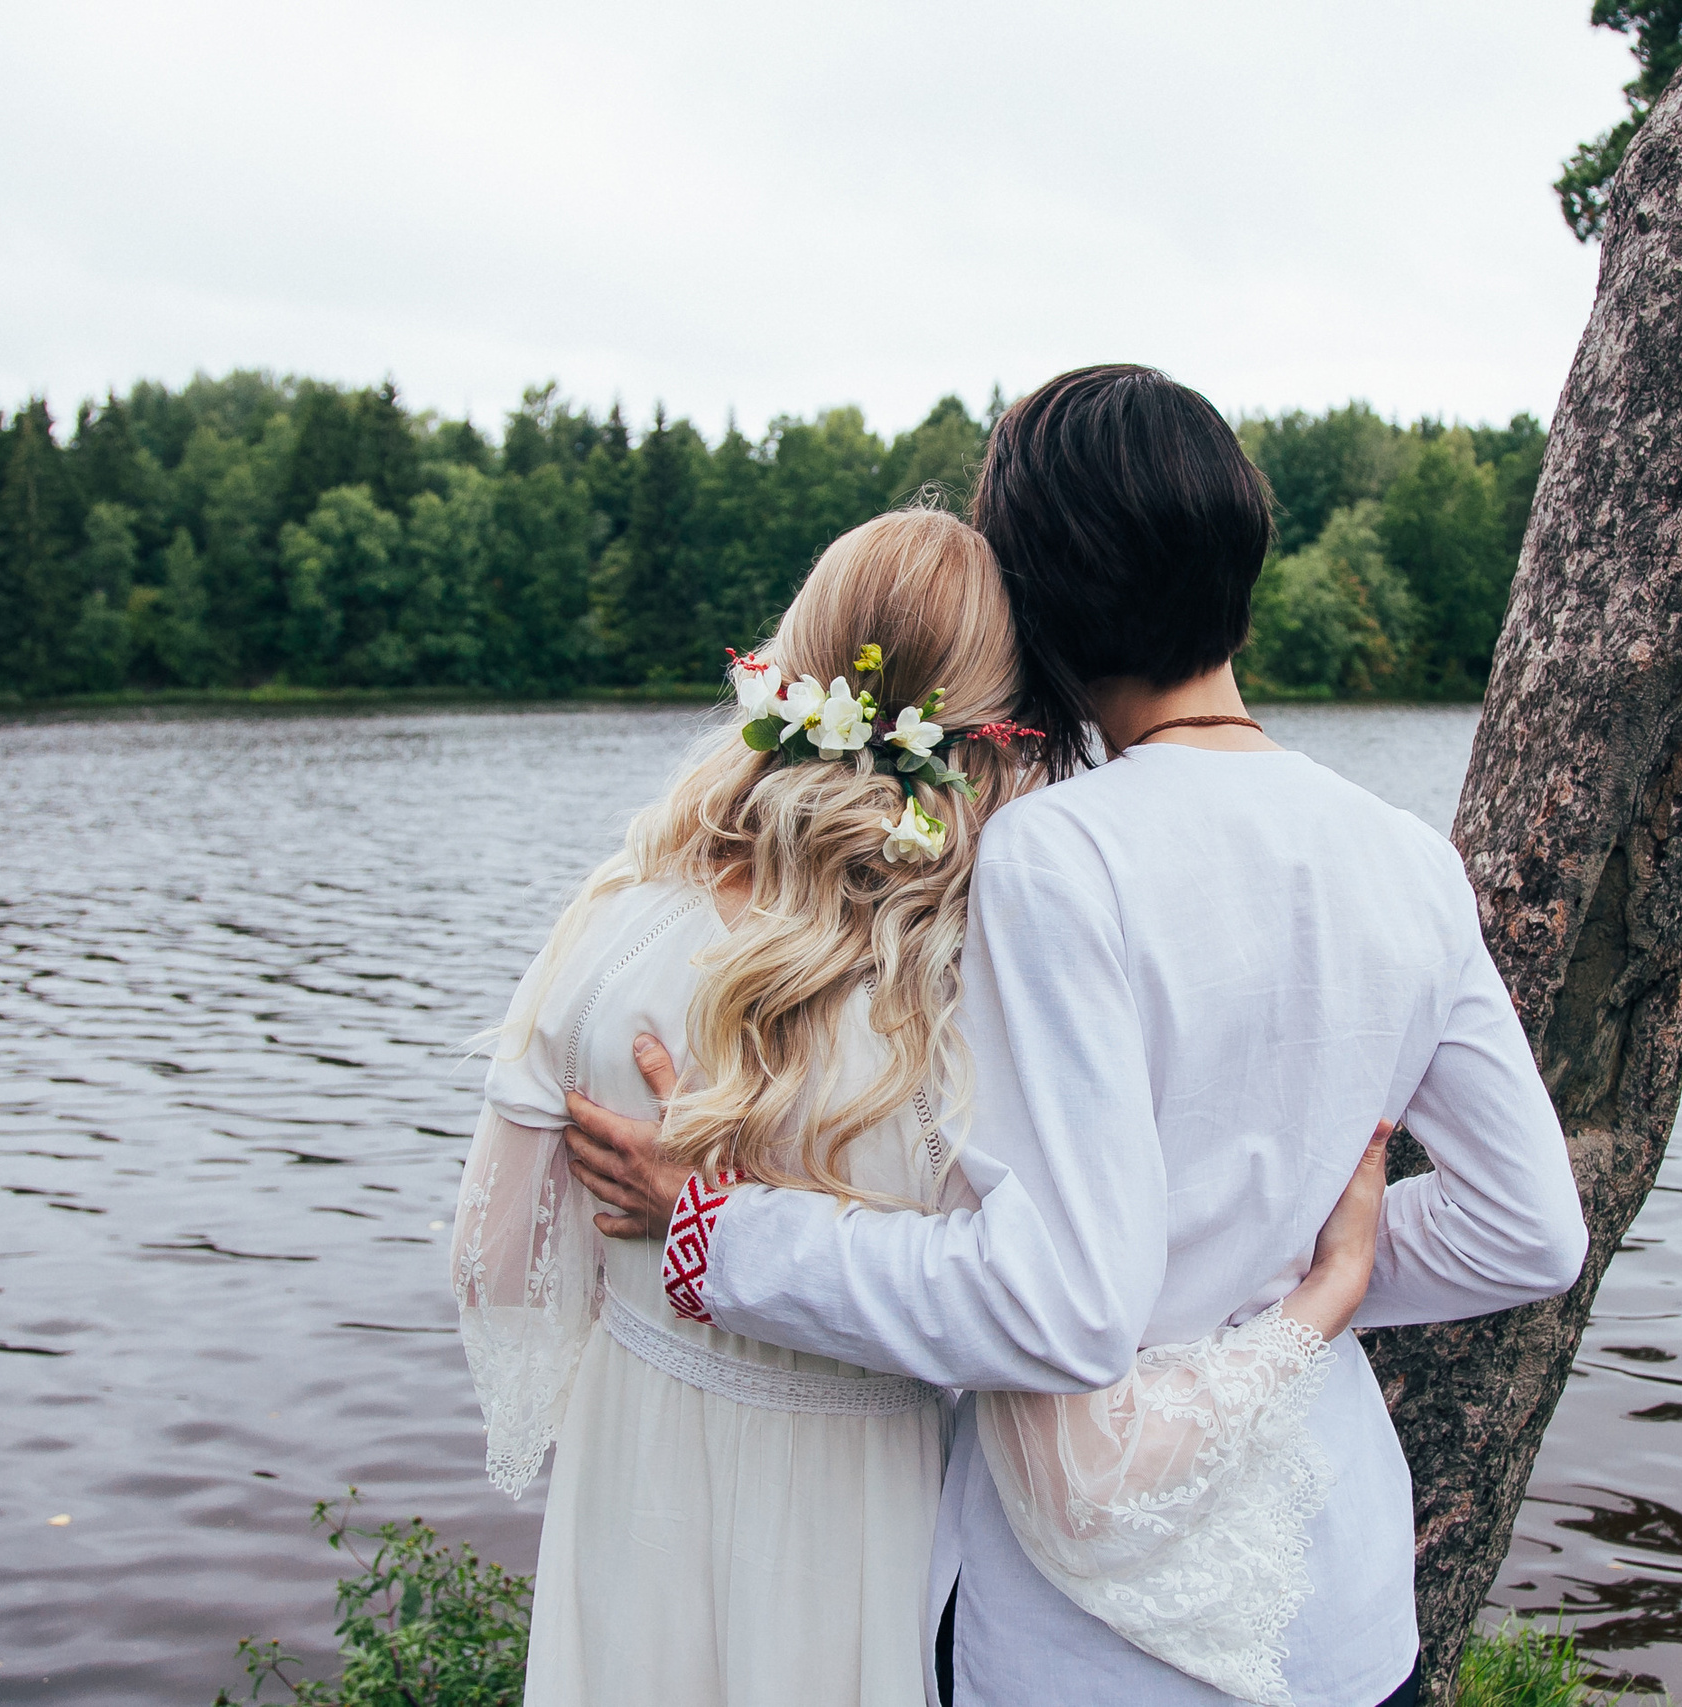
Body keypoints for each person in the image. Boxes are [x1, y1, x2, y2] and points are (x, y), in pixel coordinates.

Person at [565, 365, 1591, 1707]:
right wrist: (1294, 1279)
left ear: (1036, 607)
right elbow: (1533, 1229)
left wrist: (721, 1240)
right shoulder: (1404, 856)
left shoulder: (1060, 854)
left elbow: (1060, 1307)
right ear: (1240, 565)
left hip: (1101, 1632)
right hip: (1337, 1604)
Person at [451, 501, 1396, 1707]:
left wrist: (652, 1320)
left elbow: (495, 1263)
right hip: (859, 1511)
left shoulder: (614, 911)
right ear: (1005, 716)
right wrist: (1315, 1297)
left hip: (631, 1480)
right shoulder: (969, 984)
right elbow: (1036, 1323)